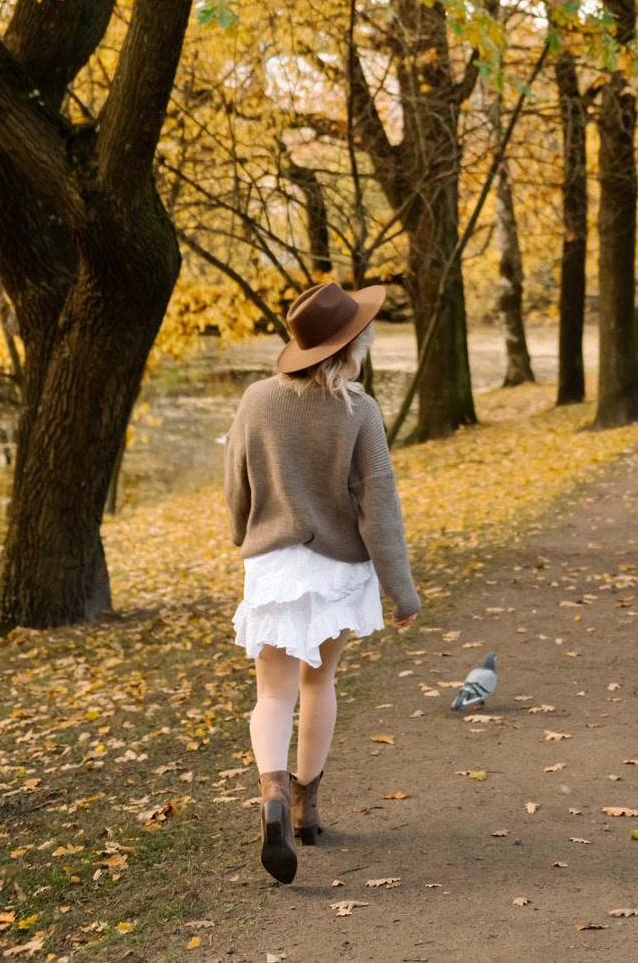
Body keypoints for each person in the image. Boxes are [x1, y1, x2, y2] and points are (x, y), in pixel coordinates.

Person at [224, 280, 420, 882]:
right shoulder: (359, 409)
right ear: (352, 345)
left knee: (273, 693)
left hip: (275, 563)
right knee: (319, 684)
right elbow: (378, 505)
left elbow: (237, 480)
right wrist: (401, 590)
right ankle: (307, 811)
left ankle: (273, 798)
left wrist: (243, 533)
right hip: (338, 564)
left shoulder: (256, 399)